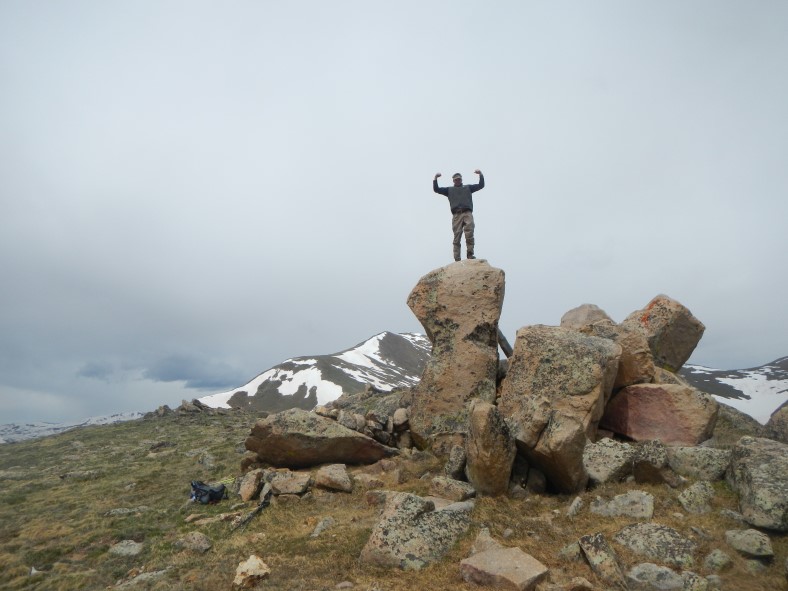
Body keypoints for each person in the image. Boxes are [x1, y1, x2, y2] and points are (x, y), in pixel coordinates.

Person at [433, 169, 485, 261]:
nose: (458, 181)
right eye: (456, 179)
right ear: (453, 181)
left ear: (461, 180)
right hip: (457, 215)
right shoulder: (449, 190)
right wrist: (435, 179)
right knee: (457, 236)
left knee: (469, 233)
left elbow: (481, 185)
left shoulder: (467, 187)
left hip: (467, 212)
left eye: (459, 179)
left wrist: (480, 174)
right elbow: (436, 189)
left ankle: (470, 254)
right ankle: (457, 259)